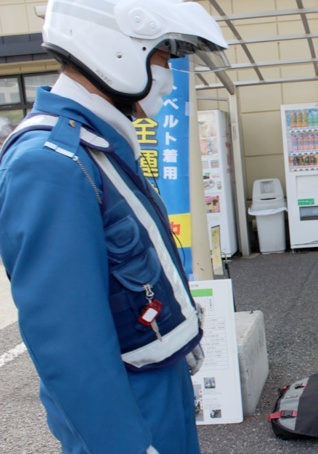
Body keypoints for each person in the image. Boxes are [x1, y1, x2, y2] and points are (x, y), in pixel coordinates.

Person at [0, 1, 229, 453]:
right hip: (126, 403)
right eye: (164, 55)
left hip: (155, 375)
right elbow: (69, 344)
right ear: (117, 48)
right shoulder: (50, 163)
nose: (169, 72)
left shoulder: (96, 144)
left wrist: (178, 333)